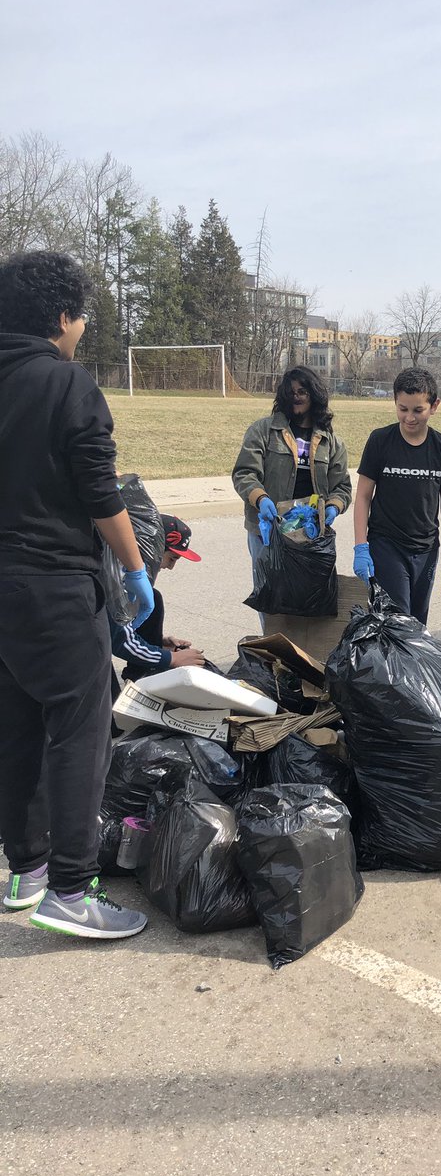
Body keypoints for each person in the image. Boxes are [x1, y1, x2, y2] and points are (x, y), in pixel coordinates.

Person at [0, 250, 152, 938]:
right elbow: (101, 493)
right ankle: (70, 888)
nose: (83, 329)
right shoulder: (68, 385)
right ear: (62, 316)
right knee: (79, 730)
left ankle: (25, 870)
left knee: (17, 727)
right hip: (54, 584)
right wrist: (135, 568)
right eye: (82, 316)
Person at [352, 367, 441, 624]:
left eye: (417, 410)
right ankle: (390, 665)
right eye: (403, 409)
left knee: (418, 620)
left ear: (434, 406)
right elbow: (364, 496)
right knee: (397, 620)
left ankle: (409, 665)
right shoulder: (380, 440)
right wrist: (360, 546)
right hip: (387, 544)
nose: (409, 417)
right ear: (395, 403)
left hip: (425, 548)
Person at [232, 366, 352, 597]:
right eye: (290, 392)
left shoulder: (331, 441)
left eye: (302, 392)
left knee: (309, 600)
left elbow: (342, 487)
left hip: (310, 533)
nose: (295, 397)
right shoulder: (264, 430)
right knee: (271, 599)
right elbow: (244, 473)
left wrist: (334, 507)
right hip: (267, 531)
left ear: (314, 395)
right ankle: (275, 635)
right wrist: (261, 498)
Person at [119, 515, 204, 682]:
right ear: (153, 548)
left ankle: (144, 676)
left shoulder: (127, 579)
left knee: (153, 598)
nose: (171, 567)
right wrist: (169, 658)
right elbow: (117, 638)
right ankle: (142, 678)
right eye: (171, 558)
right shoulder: (114, 579)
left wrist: (158, 641)